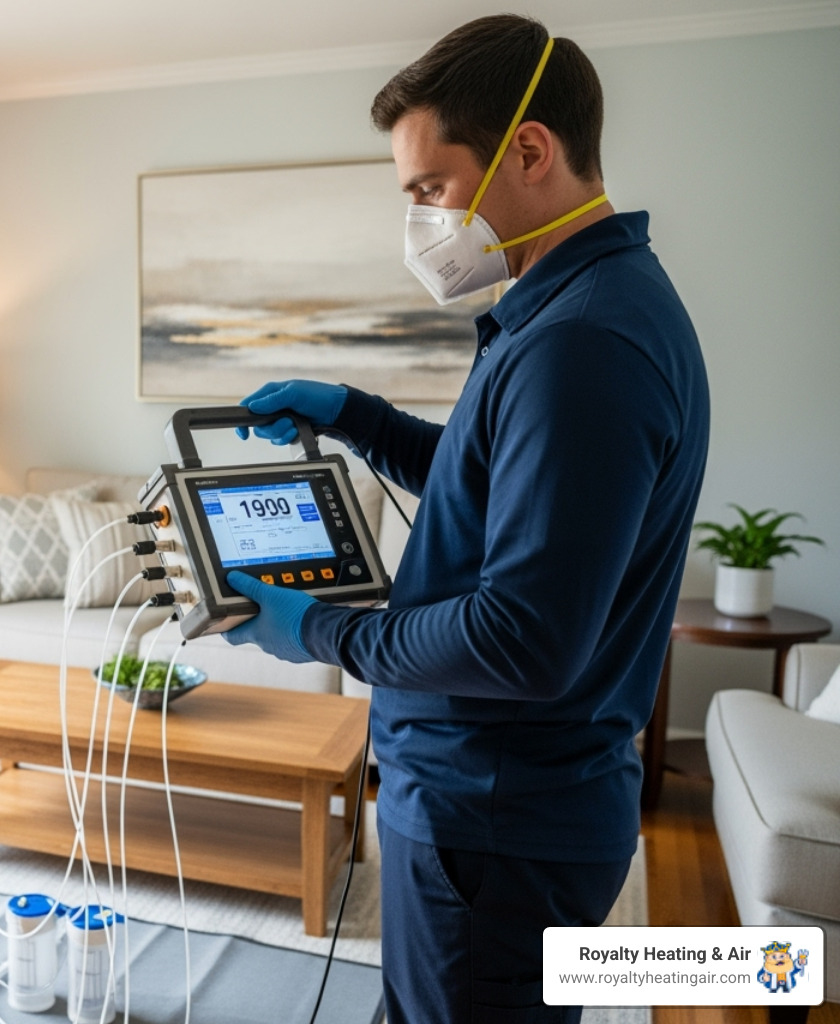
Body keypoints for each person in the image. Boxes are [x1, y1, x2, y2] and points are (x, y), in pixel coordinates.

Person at [221, 15, 710, 1024]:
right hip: (501, 810)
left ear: (528, 150)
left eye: (430, 190)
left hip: (496, 824)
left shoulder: (583, 344)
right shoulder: (583, 306)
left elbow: (522, 638)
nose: (424, 223)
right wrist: (358, 417)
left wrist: (315, 628)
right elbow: (500, 491)